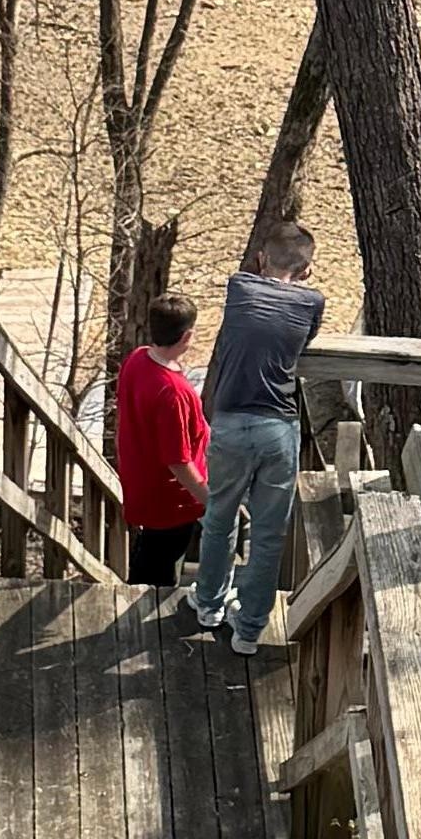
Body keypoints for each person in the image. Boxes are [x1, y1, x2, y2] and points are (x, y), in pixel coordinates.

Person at [188, 216, 325, 653]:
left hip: (230, 422)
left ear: (260, 258)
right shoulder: (311, 302)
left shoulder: (239, 288)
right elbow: (302, 345)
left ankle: (208, 605)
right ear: (306, 271)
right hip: (278, 426)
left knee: (219, 519)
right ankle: (249, 630)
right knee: (268, 534)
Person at [110, 293, 207, 600]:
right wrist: (211, 500)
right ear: (187, 335)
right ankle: (148, 630)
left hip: (142, 485)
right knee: (160, 575)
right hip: (172, 503)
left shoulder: (138, 359)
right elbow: (178, 461)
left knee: (149, 555)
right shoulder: (173, 392)